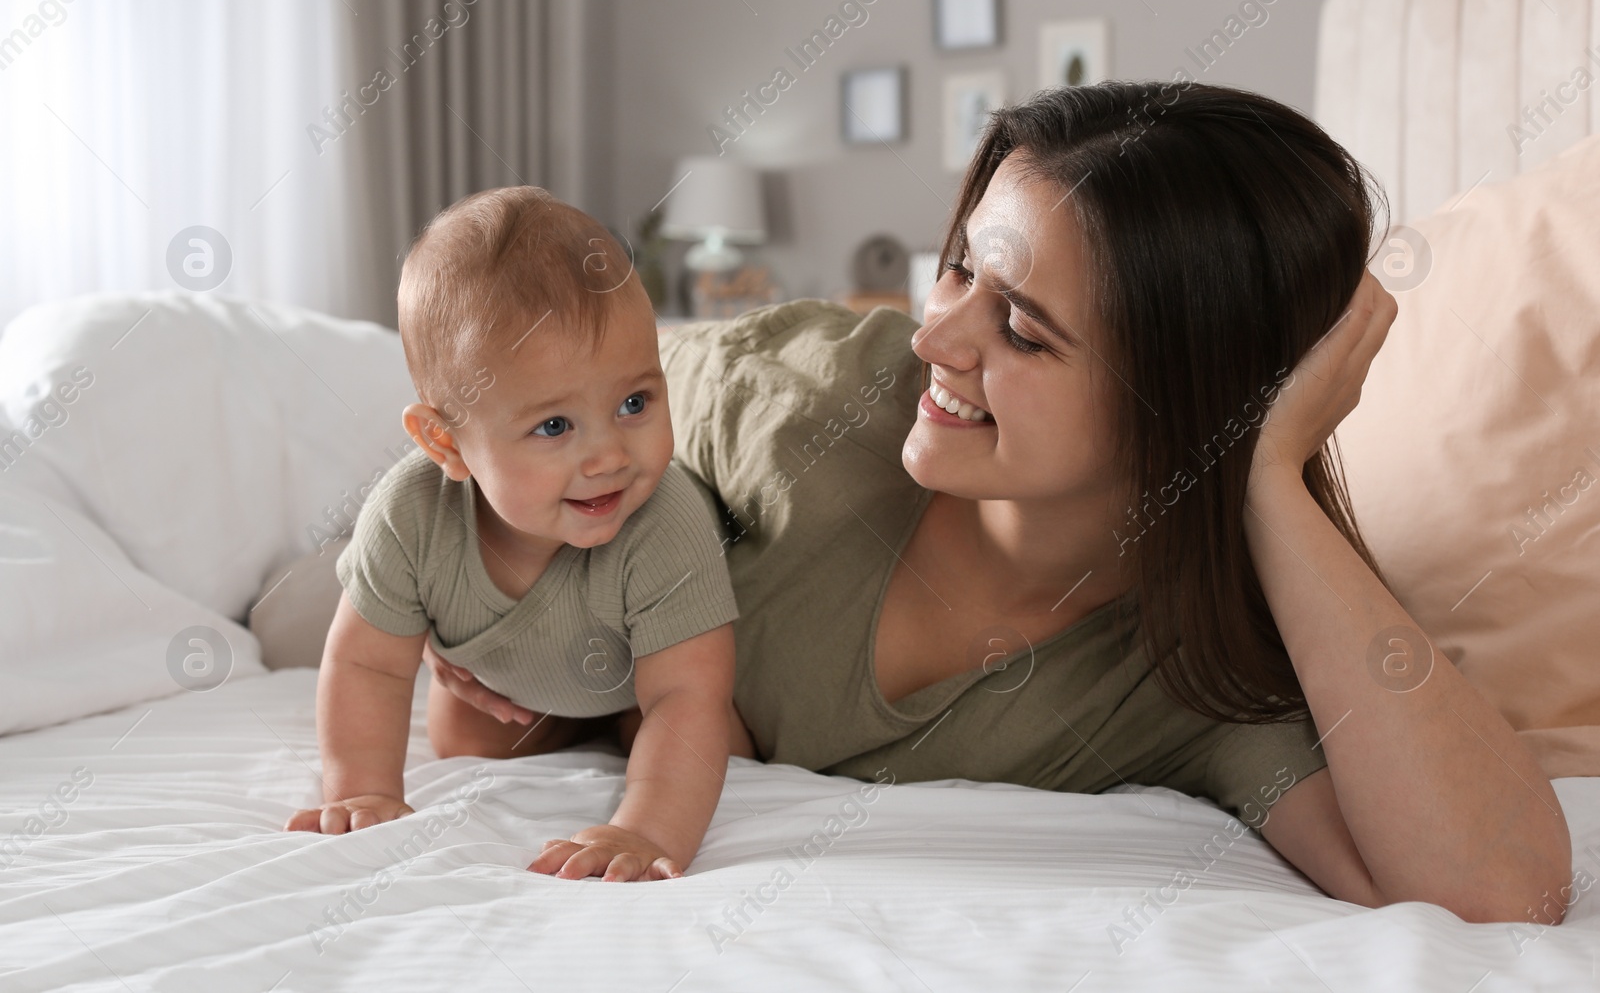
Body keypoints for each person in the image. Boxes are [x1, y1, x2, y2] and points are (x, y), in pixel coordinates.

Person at [426, 84, 1571, 921]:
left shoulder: (1193, 676)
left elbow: (1503, 888)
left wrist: (1265, 478)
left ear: (1187, 399)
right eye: (961, 268)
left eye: (1020, 327)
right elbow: (494, 621)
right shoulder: (791, 402)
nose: (936, 335)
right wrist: (533, 673)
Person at [285, 187, 746, 883]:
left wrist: (645, 827)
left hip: (647, 673)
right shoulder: (410, 516)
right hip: (515, 687)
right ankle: (576, 726)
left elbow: (686, 697)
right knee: (462, 739)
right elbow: (366, 665)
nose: (609, 457)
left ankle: (623, 729)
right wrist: (361, 786)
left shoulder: (664, 518)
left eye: (633, 402)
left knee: (716, 737)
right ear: (447, 442)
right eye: (554, 426)